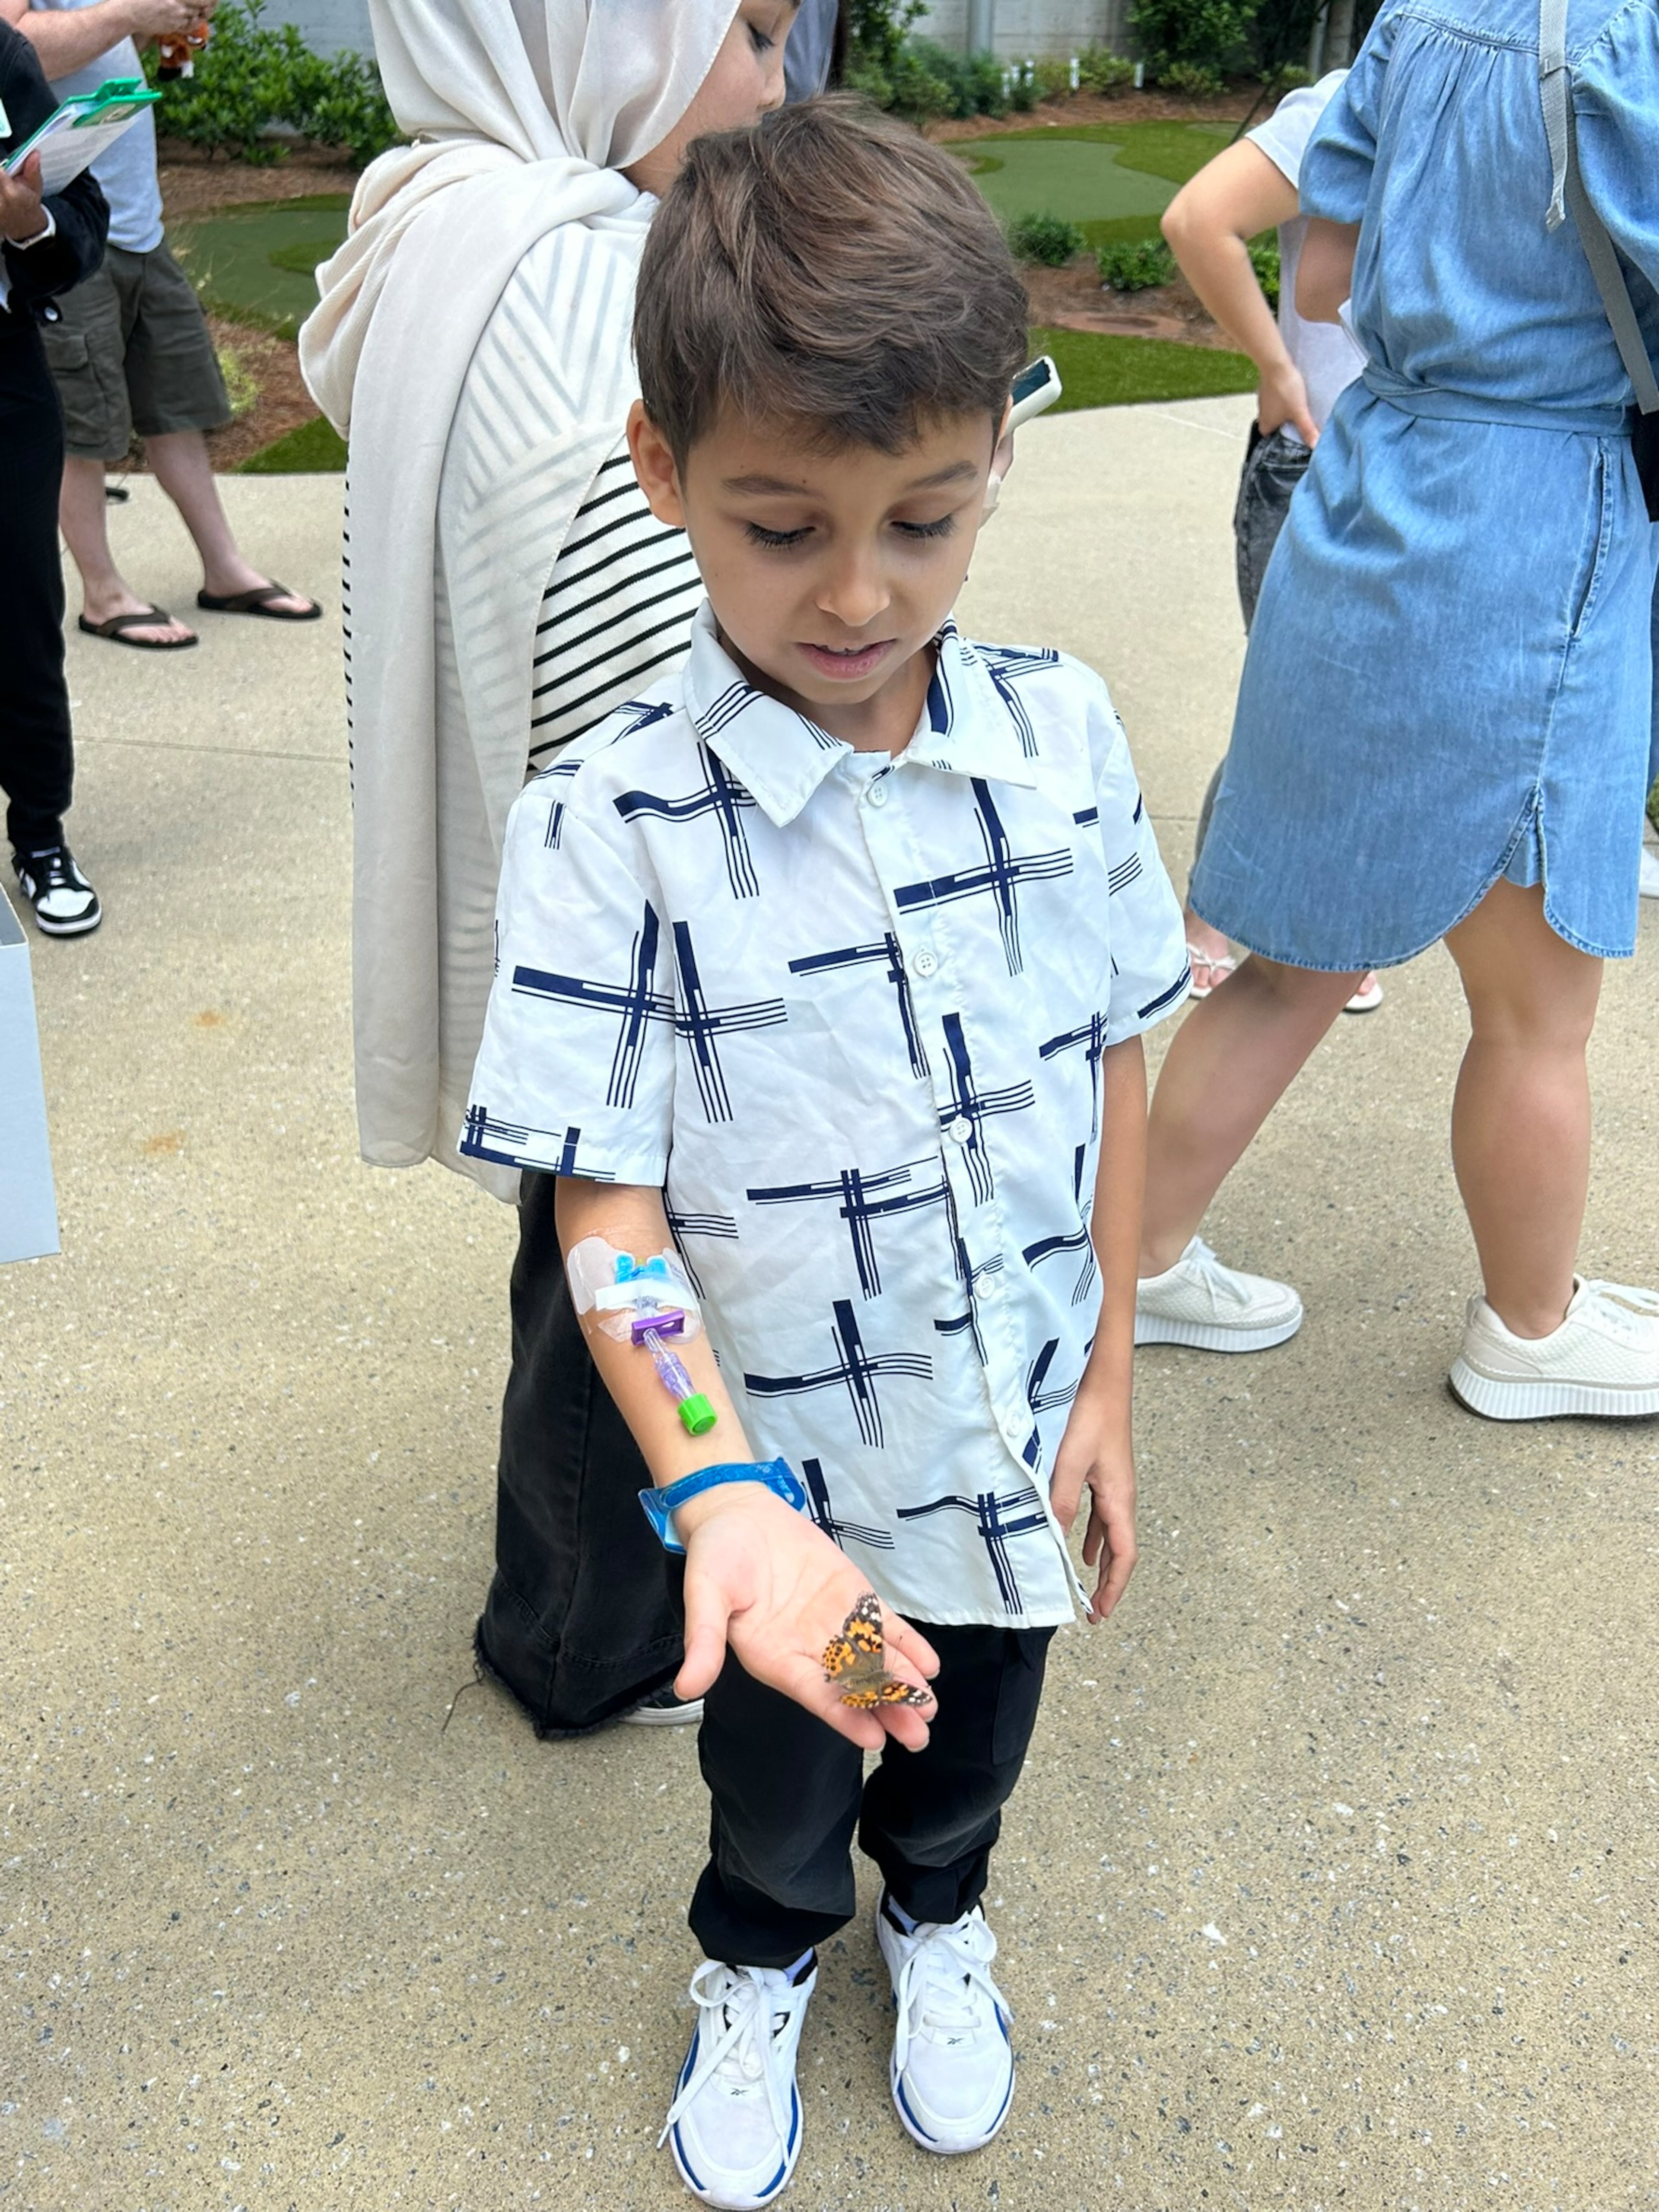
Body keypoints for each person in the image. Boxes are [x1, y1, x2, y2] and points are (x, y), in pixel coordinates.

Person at [462, 101, 1189, 2208]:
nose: (860, 592)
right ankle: (768, 1952)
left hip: (1018, 1431)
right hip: (793, 1507)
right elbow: (602, 1208)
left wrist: (1117, 1373)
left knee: (968, 1745)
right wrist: (712, 1487)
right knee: (798, 1776)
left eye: (927, 520)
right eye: (783, 527)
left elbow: (1111, 1064)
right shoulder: (613, 830)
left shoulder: (1063, 738)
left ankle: (940, 1916)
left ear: (993, 469)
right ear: (663, 470)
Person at [299, 0, 800, 1735]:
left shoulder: (431, 222)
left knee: (579, 1246)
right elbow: (678, 650)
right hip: (652, 918)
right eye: (741, 29)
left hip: (557, 896)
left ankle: (587, 1595)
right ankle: (585, 1639)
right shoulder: (590, 288)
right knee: (630, 1271)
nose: (767, 83)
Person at [1141, 0, 1659, 1417]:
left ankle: (1131, 1258)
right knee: (1538, 1007)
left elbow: (1321, 276)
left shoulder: (1418, 19)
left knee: (1291, 960)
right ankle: (1533, 1332)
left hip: (1374, 493)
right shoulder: (1625, 34)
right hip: (1535, 526)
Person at [1160, 73, 1381, 1014]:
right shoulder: (1350, 101)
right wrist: (1278, 366)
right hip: (1313, 468)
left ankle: (1326, 926)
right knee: (1290, 708)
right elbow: (1199, 219)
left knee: (1361, 718)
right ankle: (1209, 920)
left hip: (1388, 470)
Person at [5, 0, 320, 648]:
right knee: (81, 426)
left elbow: (93, 60)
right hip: (69, 236)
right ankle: (102, 594)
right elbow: (14, 46)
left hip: (139, 224)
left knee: (179, 404)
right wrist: (130, 13)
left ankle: (225, 568)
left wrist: (149, 29)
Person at [0, 18, 108, 933]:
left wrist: (26, 218)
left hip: (3, 384)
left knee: (21, 613)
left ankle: (40, 833)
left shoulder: (2, 55)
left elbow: (84, 228)